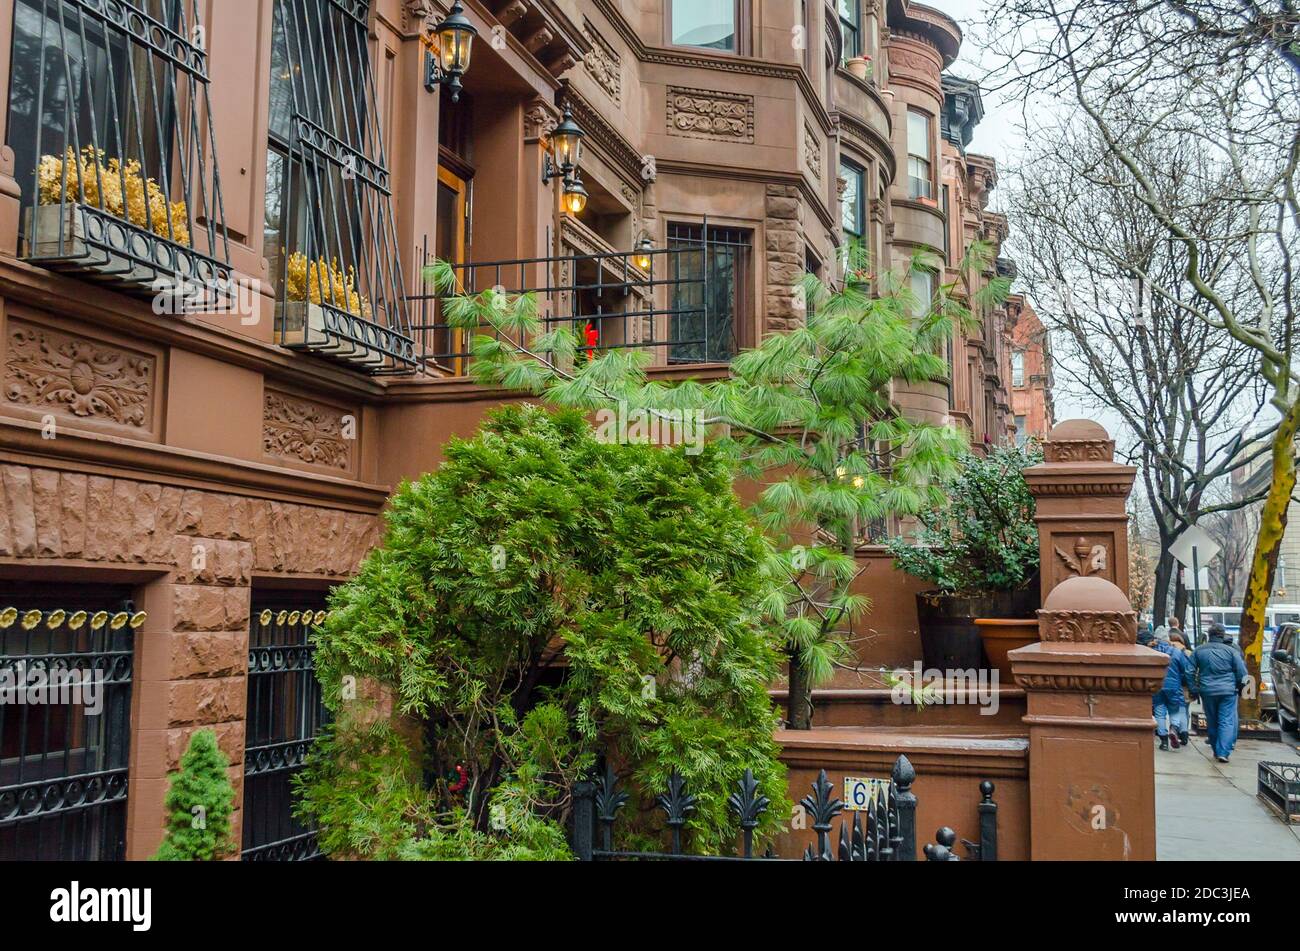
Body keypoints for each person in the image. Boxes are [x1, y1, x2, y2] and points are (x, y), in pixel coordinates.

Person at [1191, 622, 1249, 763]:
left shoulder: (1199, 650)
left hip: (1207, 690)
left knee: (1212, 720)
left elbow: (1189, 670)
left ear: (1209, 635)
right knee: (1226, 720)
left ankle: (1217, 749)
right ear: (1222, 635)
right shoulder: (1231, 651)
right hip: (1228, 691)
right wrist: (1240, 687)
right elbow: (1242, 672)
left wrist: (1194, 687)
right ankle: (1223, 751)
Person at [1140, 627, 1194, 751]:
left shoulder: (1151, 652)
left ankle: (1163, 740)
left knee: (1159, 711)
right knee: (1175, 710)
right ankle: (1174, 728)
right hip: (1174, 686)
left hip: (1157, 685)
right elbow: (1186, 669)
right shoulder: (1175, 652)